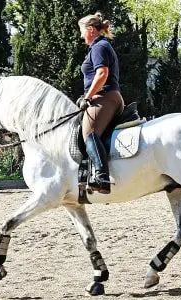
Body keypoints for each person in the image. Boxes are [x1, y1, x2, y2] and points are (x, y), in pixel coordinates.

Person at [78, 12, 124, 194]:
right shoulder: (100, 46)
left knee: (89, 134)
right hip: (109, 97)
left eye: (82, 31)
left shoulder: (99, 47)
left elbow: (102, 74)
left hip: (105, 97)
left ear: (90, 30)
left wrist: (88, 97)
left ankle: (102, 177)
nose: (81, 36)